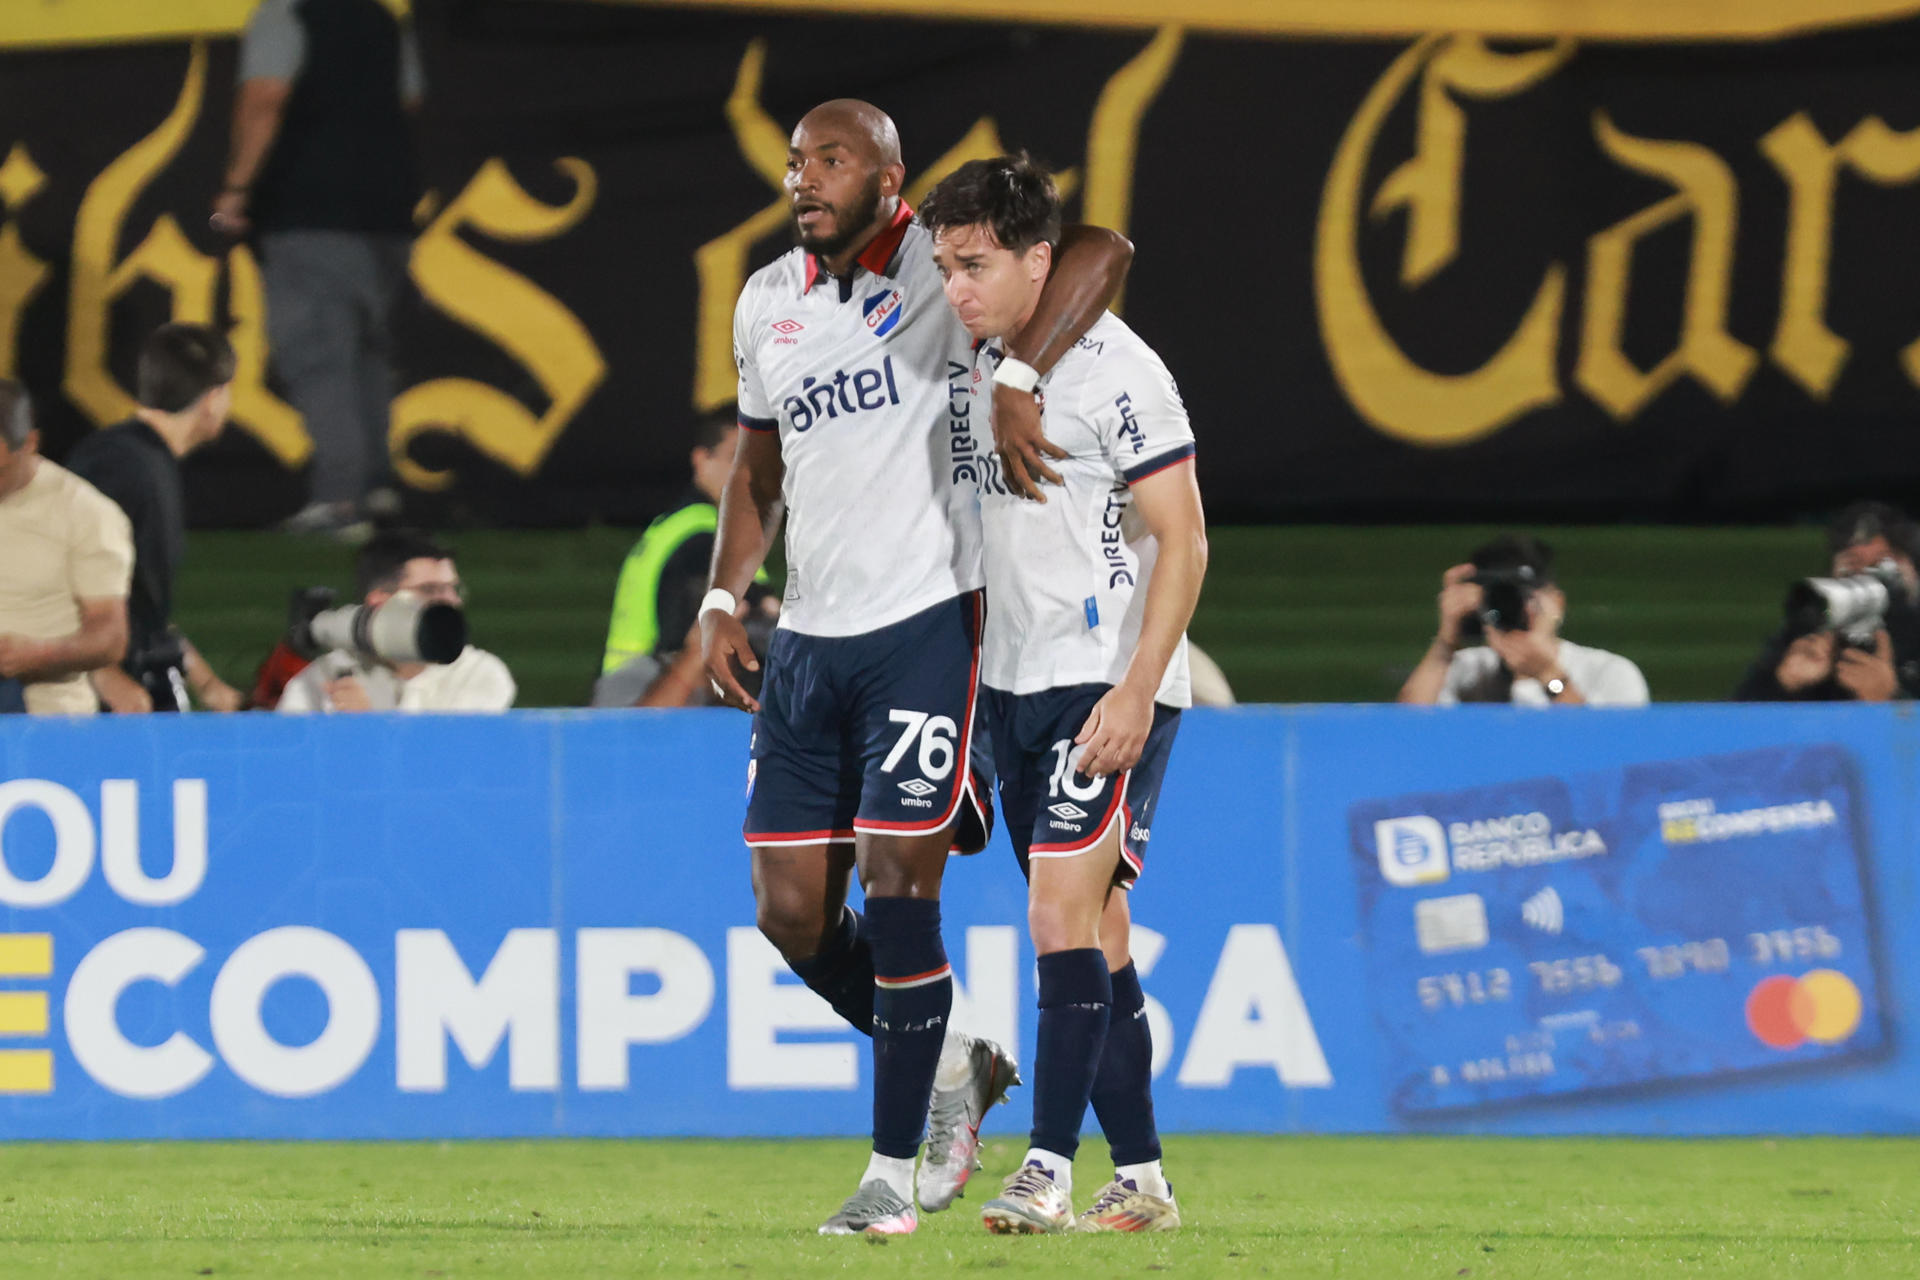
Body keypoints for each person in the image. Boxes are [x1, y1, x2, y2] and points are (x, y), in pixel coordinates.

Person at [700, 100, 1133, 1236]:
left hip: (927, 621)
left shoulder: (950, 274)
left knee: (901, 883)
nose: (807, 176)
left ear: (890, 177)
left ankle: (891, 1176)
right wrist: (719, 592)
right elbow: (757, 467)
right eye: (796, 160)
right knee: (790, 913)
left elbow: (1101, 251)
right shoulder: (763, 303)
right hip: (809, 635)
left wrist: (1020, 372)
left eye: (832, 159)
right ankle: (955, 1059)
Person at [921, 154, 1204, 1235]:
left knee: (1055, 912)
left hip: (1106, 680)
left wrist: (1137, 689)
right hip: (1011, 683)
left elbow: (1187, 539)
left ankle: (1045, 1162)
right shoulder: (974, 354)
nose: (957, 287)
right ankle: (1144, 1178)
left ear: (1042, 261)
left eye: (977, 264)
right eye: (946, 265)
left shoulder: (1120, 371)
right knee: (1101, 927)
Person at [213, 0, 425, 537]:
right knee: (366, 353)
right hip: (386, 208)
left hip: (309, 208)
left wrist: (238, 187)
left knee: (320, 355)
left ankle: (339, 500)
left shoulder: (288, 13)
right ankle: (376, 490)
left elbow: (266, 97)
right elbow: (410, 98)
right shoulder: (381, 17)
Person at [66, 324, 244, 714]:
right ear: (212, 398)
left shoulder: (139, 459)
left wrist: (211, 687)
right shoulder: (123, 465)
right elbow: (57, 570)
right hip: (86, 701)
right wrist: (104, 676)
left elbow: (143, 610)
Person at [593, 410, 775, 708]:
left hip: (628, 692)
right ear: (701, 461)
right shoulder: (701, 533)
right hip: (646, 692)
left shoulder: (676, 527)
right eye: (736, 458)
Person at [0, 380, 135, 715]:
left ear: (30, 443)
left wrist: (42, 654)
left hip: (41, 720)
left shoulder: (86, 515)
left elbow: (110, 634)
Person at [1398, 534, 1648, 707]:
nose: (1517, 608)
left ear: (1557, 603)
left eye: (1525, 597)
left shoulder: (1609, 672)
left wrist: (1549, 676)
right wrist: (1445, 642)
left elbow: (1613, 755)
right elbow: (1406, 735)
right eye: (1501, 598)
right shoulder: (1466, 670)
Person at [279, 529, 514, 713]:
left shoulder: (478, 673)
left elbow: (449, 764)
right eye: (430, 589)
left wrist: (371, 725)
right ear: (380, 602)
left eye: (453, 589)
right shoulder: (326, 675)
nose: (451, 601)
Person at [1734, 501, 1920, 702]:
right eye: (1853, 565)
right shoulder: (1809, 636)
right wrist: (1781, 686)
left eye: (1883, 566)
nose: (1868, 578)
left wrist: (1892, 701)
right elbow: (1733, 723)